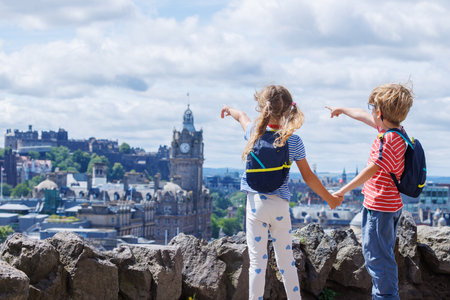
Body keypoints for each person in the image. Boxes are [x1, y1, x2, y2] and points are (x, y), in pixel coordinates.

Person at [221, 85, 342, 300]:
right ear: (288, 110)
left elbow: (241, 116)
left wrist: (228, 109)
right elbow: (309, 177)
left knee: (258, 262)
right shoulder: (292, 140)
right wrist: (330, 199)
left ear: (261, 107)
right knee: (286, 261)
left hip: (256, 205)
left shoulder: (252, 133)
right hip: (280, 206)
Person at [326, 83, 414, 300]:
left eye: (372, 106)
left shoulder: (386, 140)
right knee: (383, 256)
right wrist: (343, 110)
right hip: (391, 206)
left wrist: (341, 191)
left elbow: (371, 169)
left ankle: (385, 297)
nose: (369, 110)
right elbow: (363, 115)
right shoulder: (398, 133)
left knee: (378, 259)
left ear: (380, 112)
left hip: (379, 208)